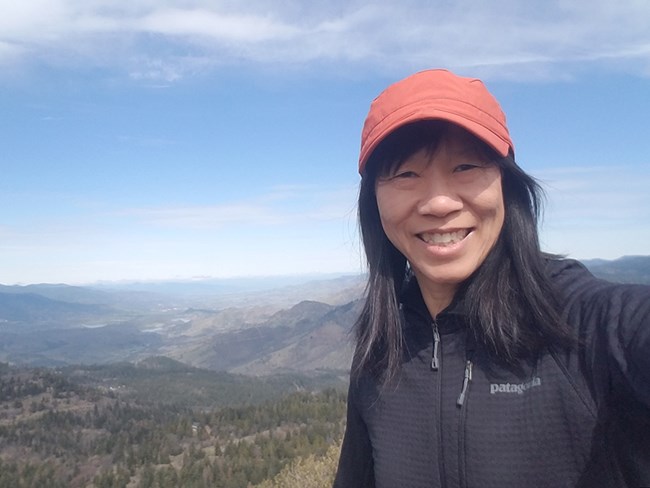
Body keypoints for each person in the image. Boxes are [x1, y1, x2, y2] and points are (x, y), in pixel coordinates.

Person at [333, 69, 650, 488]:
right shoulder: (381, 348)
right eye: (405, 174)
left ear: (508, 187)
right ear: (373, 203)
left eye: (465, 166)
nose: (439, 202)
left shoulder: (580, 326)